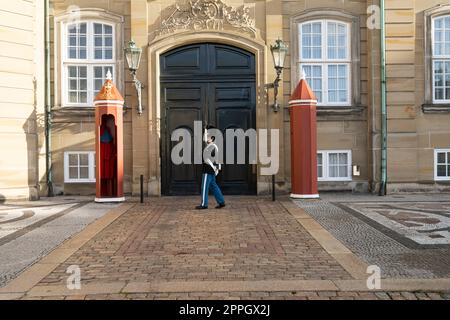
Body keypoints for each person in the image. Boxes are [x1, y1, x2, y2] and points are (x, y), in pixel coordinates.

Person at [196, 126, 226, 210]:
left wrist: (216, 168)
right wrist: (205, 130)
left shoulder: (212, 147)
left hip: (208, 169)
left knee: (204, 187)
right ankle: (221, 202)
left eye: (208, 136)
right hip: (211, 169)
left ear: (212, 138)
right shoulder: (211, 146)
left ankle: (204, 204)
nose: (206, 138)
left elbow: (212, 159)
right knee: (213, 186)